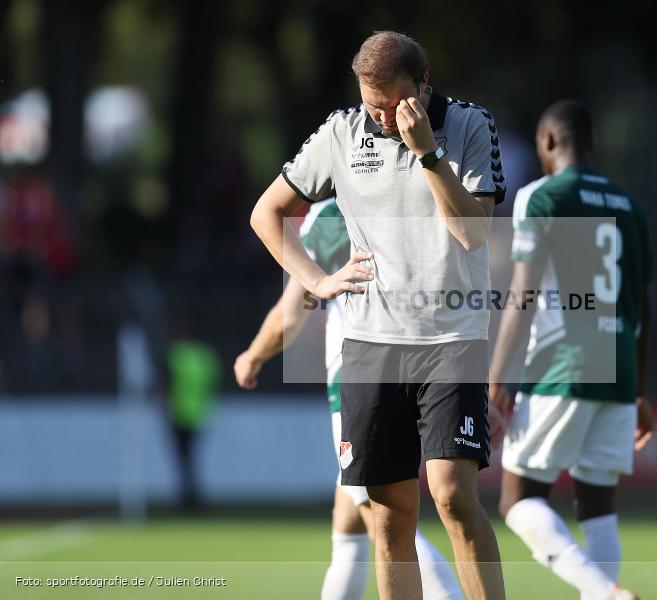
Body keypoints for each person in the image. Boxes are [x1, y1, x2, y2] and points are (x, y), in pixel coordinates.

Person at [250, 31, 505, 600]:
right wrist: (317, 280)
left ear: (423, 85)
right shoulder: (340, 133)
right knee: (388, 516)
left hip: (450, 338)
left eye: (394, 103)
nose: (383, 116)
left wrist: (428, 153)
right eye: (373, 104)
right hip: (369, 346)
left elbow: (472, 232)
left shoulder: (468, 126)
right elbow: (267, 213)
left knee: (453, 496)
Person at [235, 198, 462, 600]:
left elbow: (291, 315)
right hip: (426, 372)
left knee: (382, 520)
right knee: (349, 522)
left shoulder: (331, 215)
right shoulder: (418, 195)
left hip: (360, 383)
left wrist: (252, 355)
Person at [487, 100, 649, 600]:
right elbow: (644, 306)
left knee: (518, 500)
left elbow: (523, 293)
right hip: (619, 368)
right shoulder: (630, 204)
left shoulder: (541, 196)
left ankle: (603, 591)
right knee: (598, 502)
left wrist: (498, 375)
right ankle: (606, 591)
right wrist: (640, 390)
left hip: (562, 363)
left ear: (549, 142)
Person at [167, 330, 221, 510]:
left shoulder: (176, 355)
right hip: (201, 412)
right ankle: (194, 497)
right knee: (192, 457)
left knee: (184, 458)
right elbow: (214, 380)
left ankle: (187, 499)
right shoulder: (204, 355)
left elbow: (167, 381)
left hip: (179, 412)